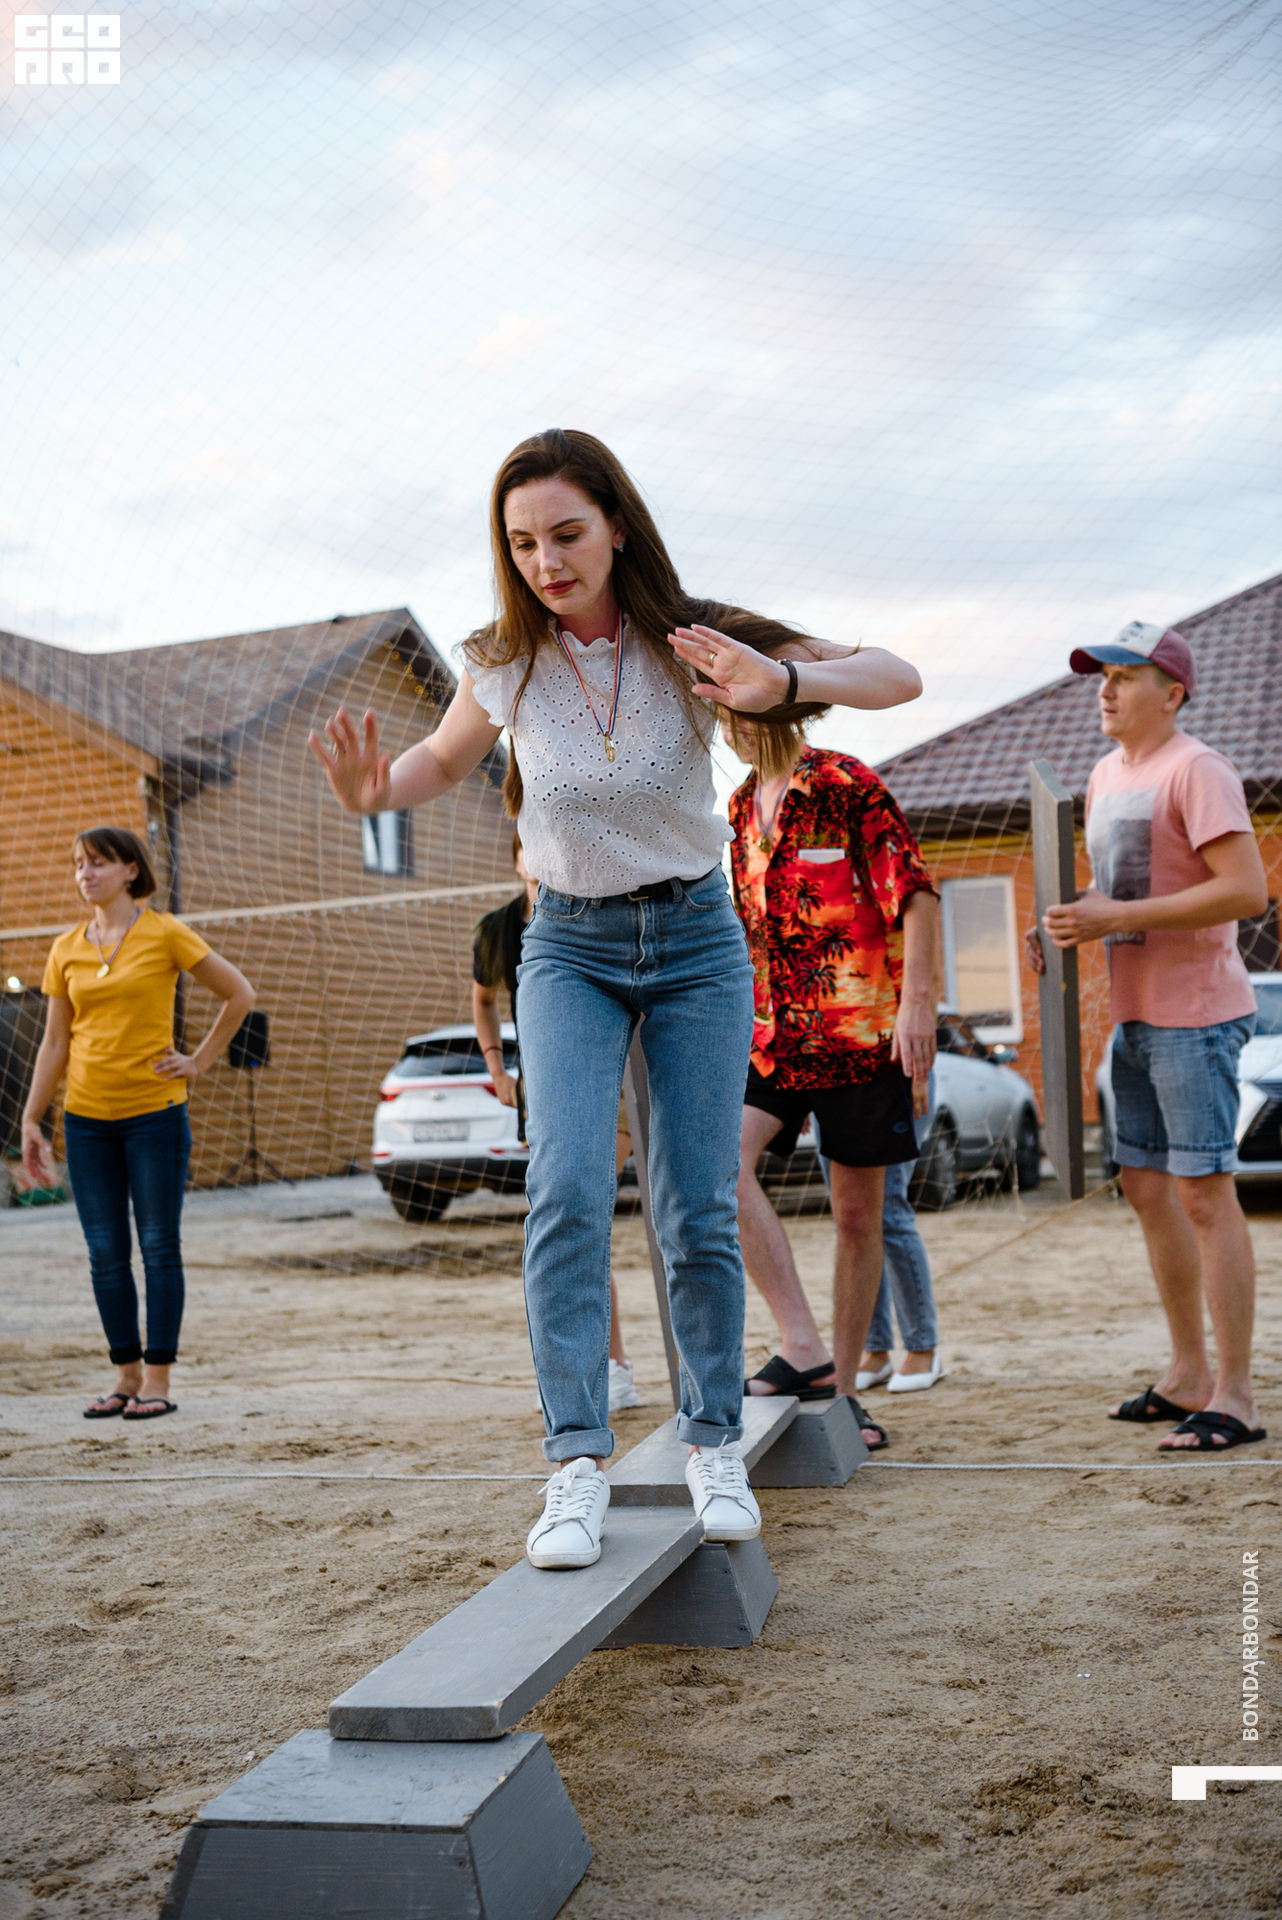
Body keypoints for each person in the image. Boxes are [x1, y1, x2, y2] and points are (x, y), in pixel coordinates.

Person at [309, 427, 921, 1568]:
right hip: (570, 949)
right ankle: (574, 1466)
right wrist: (373, 792)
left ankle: (712, 1444)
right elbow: (437, 762)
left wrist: (783, 681)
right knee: (567, 1189)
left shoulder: (692, 635)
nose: (546, 561)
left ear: (617, 527)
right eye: (522, 543)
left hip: (695, 943)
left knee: (696, 1204)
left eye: (567, 534)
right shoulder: (503, 658)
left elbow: (896, 674)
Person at [1028, 621, 1268, 1452]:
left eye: (1126, 676)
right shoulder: (1105, 774)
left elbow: (1247, 891)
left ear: (1172, 693)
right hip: (1133, 1012)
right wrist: (1064, 923)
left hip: (1196, 1013)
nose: (1106, 688)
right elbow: (1117, 892)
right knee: (1143, 1185)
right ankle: (1188, 1374)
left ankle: (1236, 1398)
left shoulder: (1198, 768)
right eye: (1101, 675)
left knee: (1205, 1194)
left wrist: (1113, 915)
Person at [723, 710, 940, 1451]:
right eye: (717, 710)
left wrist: (918, 1004)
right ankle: (804, 1347)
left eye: (737, 706)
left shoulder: (849, 783)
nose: (727, 725)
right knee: (718, 1166)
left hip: (860, 1033)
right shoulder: (737, 806)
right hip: (769, 1039)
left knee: (856, 1217)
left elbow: (915, 893)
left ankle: (845, 1394)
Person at [21, 827, 256, 1420]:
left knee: (157, 1246)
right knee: (105, 1252)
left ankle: (157, 1379)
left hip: (155, 1117)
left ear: (131, 870)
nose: (85, 874)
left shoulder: (164, 932)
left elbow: (239, 995)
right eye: (78, 864)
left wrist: (197, 1061)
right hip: (86, 1122)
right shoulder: (65, 949)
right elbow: (54, 1043)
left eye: (98, 862)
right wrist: (31, 1119)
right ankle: (124, 1376)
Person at [472, 830, 640, 1412]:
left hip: (614, 1075)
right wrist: (497, 1068)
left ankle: (612, 1368)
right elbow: (482, 999)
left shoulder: (600, 909)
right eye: (524, 844)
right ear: (518, 858)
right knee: (566, 1219)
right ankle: (595, 1371)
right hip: (545, 1081)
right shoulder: (499, 928)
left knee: (584, 1216)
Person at [855, 1072, 945, 1394]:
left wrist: (918, 1075)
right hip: (829, 1082)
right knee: (852, 1220)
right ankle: (875, 1351)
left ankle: (923, 1349)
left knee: (888, 1210)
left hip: (891, 1077)